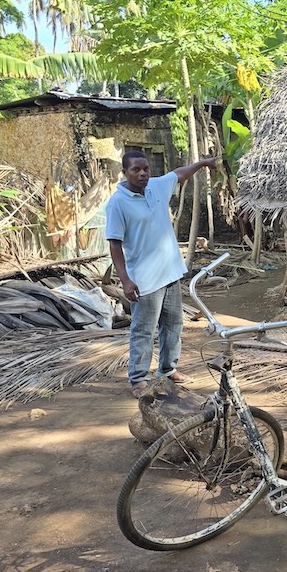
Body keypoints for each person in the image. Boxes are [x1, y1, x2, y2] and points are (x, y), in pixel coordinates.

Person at [105, 150, 218, 398]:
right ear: (124, 172)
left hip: (170, 273)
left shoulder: (157, 186)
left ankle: (168, 370)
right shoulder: (117, 203)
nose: (143, 173)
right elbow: (114, 244)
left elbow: (179, 174)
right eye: (136, 169)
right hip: (144, 279)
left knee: (173, 325)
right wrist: (125, 280)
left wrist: (204, 163)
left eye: (145, 168)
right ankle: (138, 379)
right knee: (144, 330)